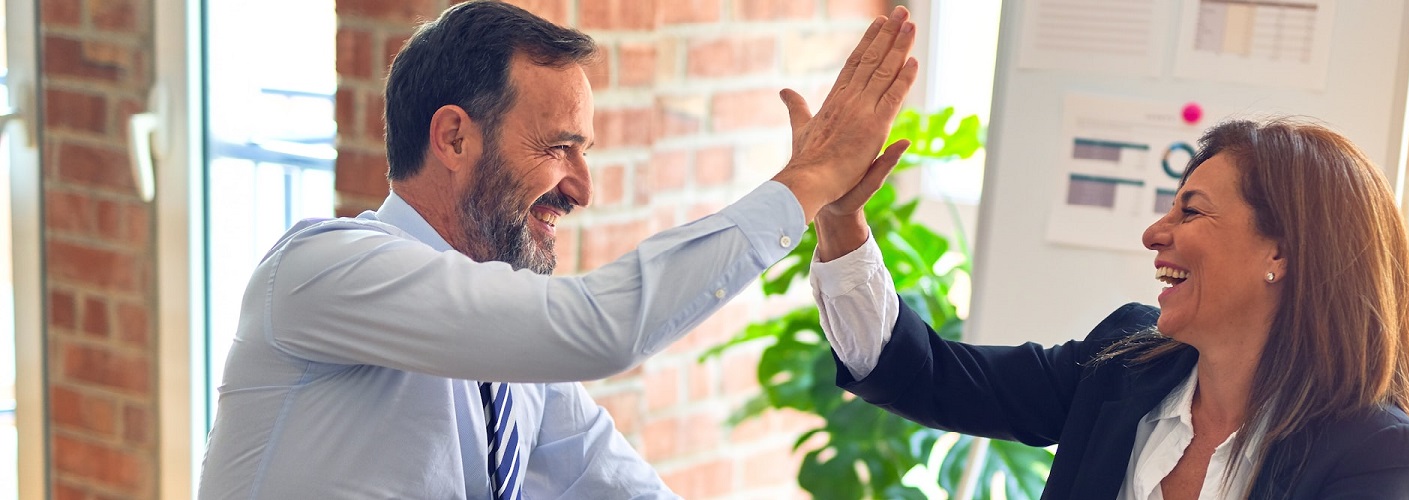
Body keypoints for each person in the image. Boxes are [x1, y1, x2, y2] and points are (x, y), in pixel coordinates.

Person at [197, 1, 920, 498]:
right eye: (558, 149)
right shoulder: (321, 270)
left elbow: (614, 485)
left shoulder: (511, 366)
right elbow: (596, 328)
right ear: (453, 137)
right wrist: (805, 182)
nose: (581, 188)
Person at [809, 119, 1409, 499]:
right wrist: (842, 220)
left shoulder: (1373, 453)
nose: (1154, 234)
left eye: (1190, 210)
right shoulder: (1125, 360)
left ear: (1283, 251)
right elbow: (926, 375)